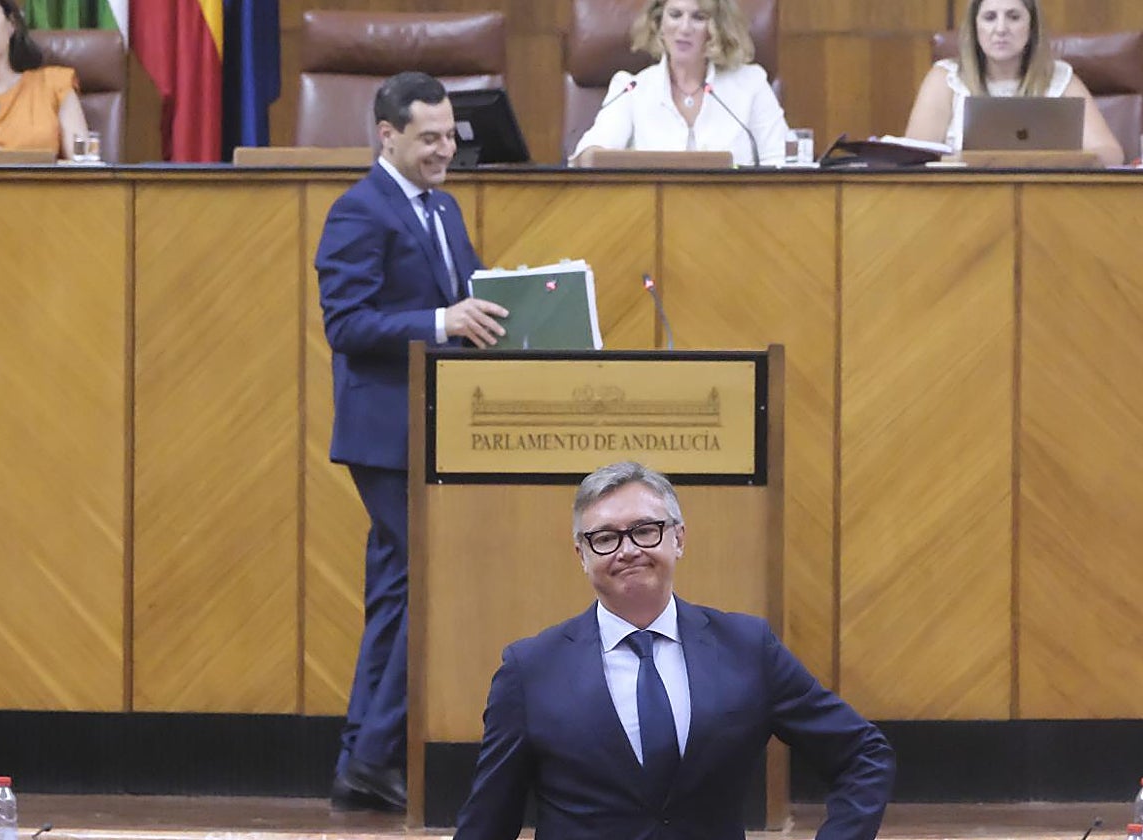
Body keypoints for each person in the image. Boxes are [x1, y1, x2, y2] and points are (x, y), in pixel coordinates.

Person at [454, 461, 896, 840]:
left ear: (679, 539)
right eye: (604, 538)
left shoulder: (746, 648)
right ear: (581, 555)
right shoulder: (530, 670)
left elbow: (863, 754)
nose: (627, 550)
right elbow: (489, 822)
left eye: (645, 531)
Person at [315, 70, 508, 812]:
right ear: (386, 135)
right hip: (385, 435)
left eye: (450, 135)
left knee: (397, 592)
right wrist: (440, 324)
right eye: (428, 137)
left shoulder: (445, 208)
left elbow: (464, 295)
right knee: (428, 578)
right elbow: (347, 325)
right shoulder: (358, 212)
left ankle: (359, 759)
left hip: (438, 429)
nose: (444, 150)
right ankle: (371, 756)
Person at [571, 0, 788, 167]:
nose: (684, 28)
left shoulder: (751, 84)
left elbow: (781, 162)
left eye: (698, 17)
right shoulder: (632, 89)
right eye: (675, 15)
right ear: (659, 23)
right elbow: (589, 155)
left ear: (717, 27)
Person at [904, 0, 1123, 166]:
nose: (1001, 29)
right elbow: (914, 159)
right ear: (974, 27)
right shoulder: (945, 78)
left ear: (1031, 26)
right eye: (990, 17)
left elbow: (1112, 154)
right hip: (961, 204)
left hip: (1046, 202)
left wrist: (1054, 161)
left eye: (1013, 17)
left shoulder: (1059, 78)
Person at [0, 0, 89, 158]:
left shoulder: (54, 84)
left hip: (39, 184)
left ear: (11, 23)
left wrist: (6, 164)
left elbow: (83, 167)